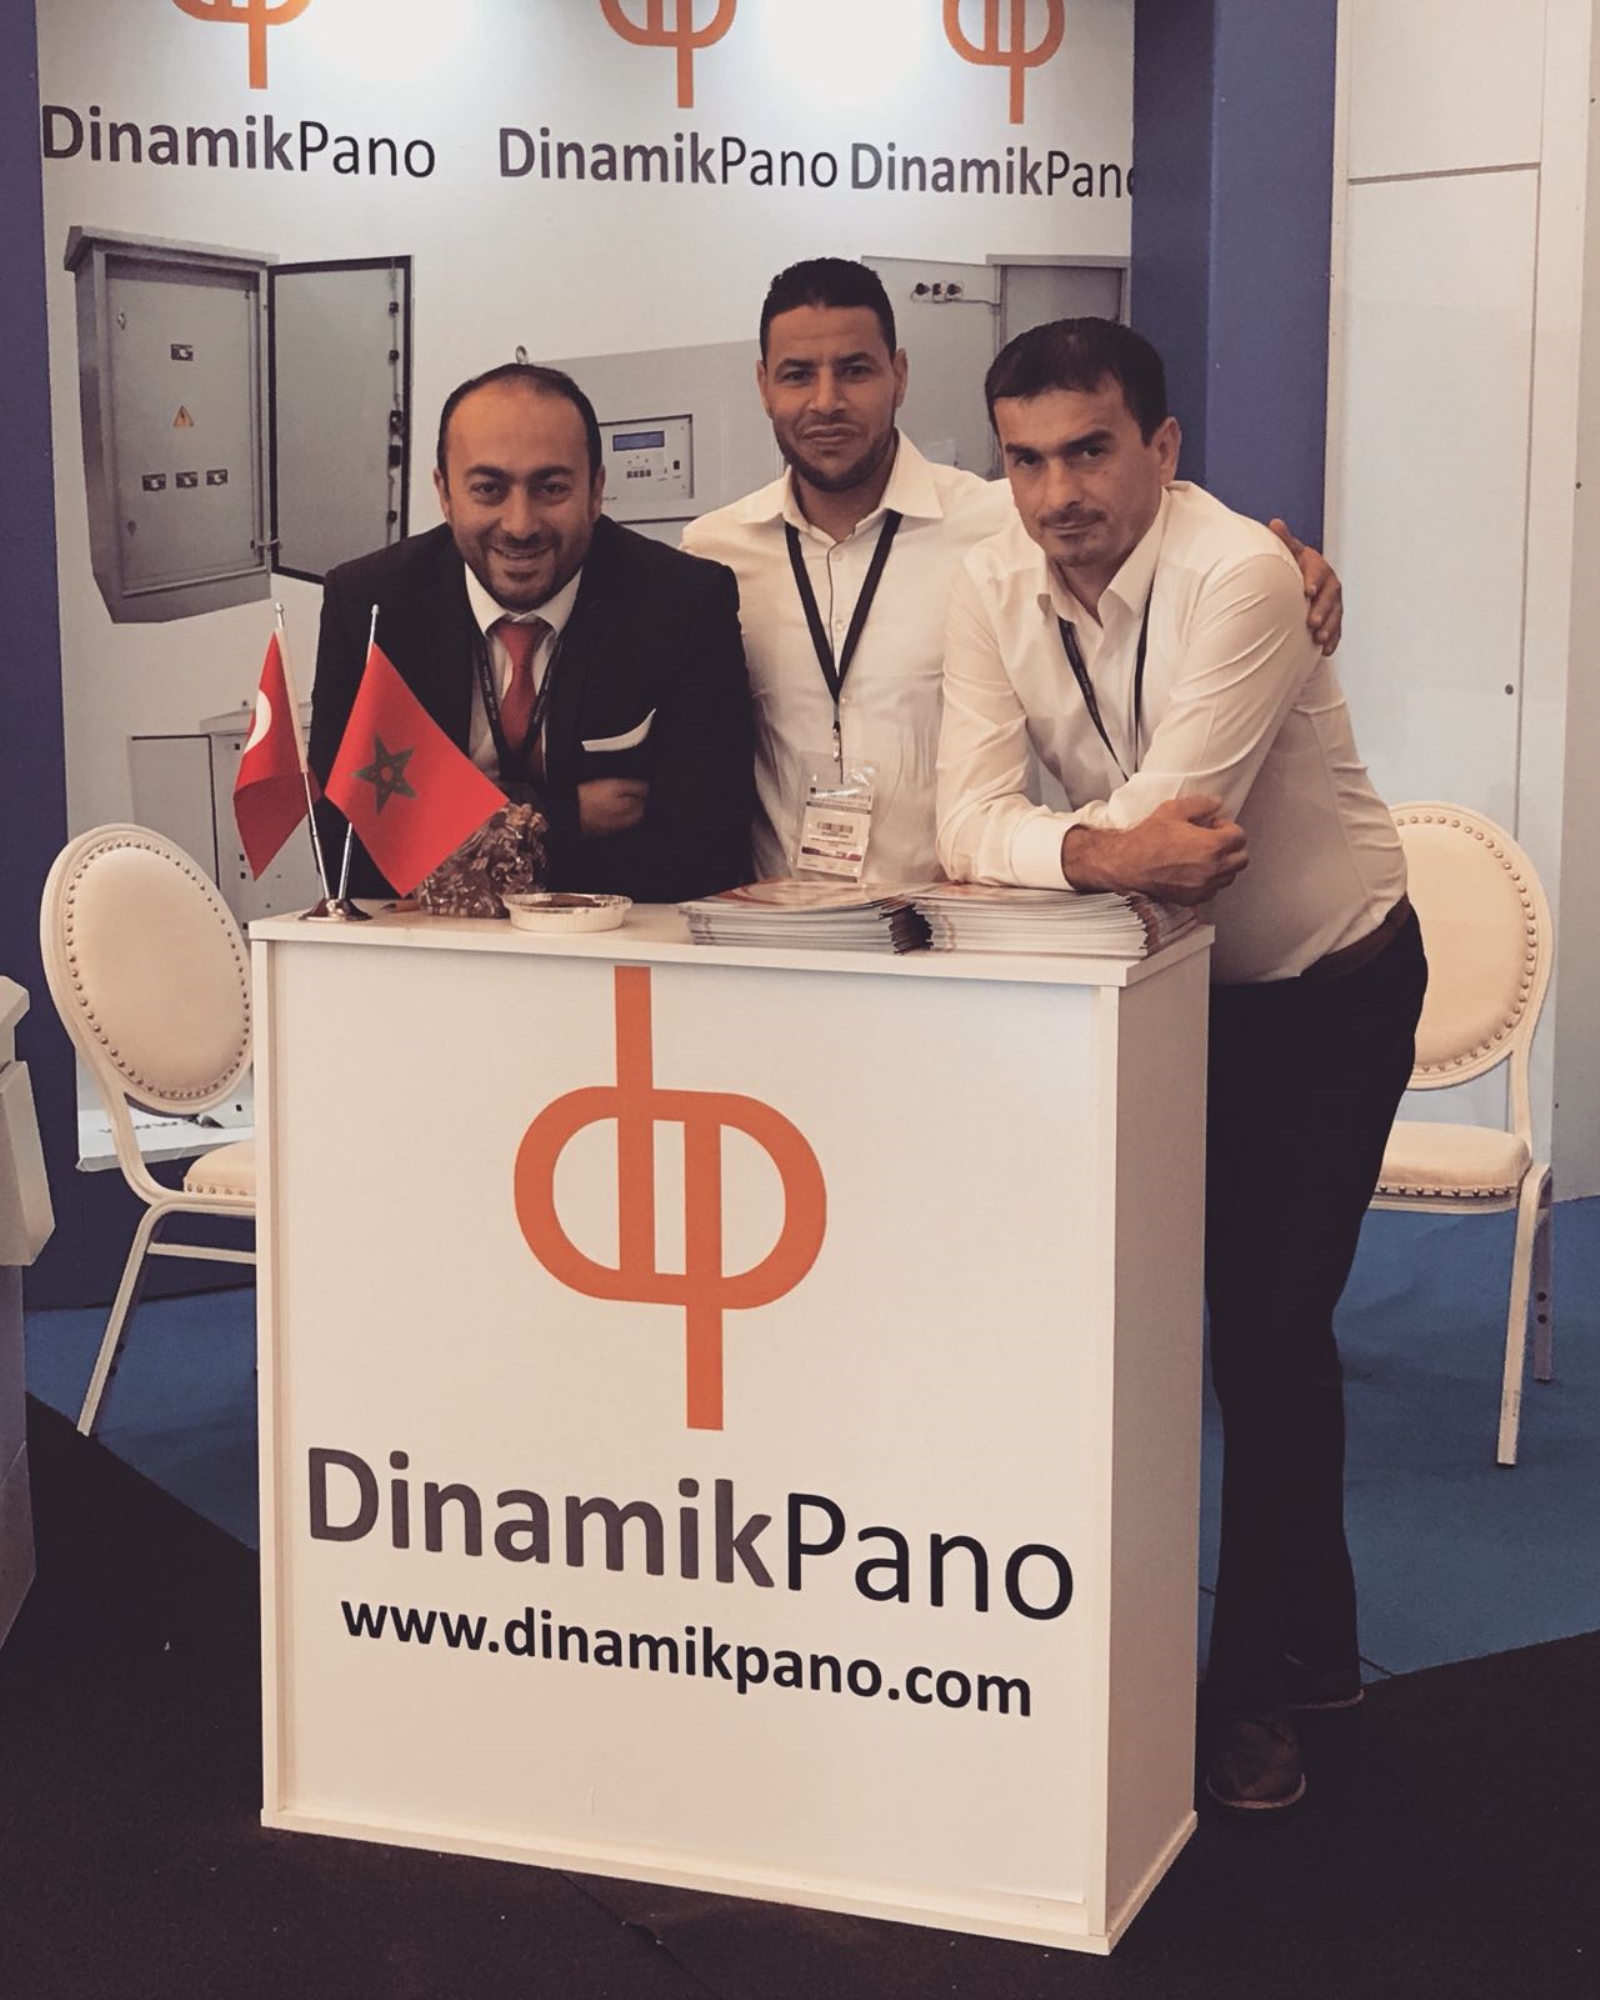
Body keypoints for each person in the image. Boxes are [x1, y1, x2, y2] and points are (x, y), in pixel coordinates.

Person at [936, 318, 1427, 1815]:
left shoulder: (1245, 577)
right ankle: (1320, 1645)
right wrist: (1092, 853)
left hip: (1325, 986)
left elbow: (1186, 826)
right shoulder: (990, 577)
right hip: (1164, 992)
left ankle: (1247, 1694)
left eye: (1090, 450)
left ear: (1162, 445)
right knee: (1236, 1334)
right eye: (1025, 460)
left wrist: (1063, 848)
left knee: (1264, 1331)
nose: (1056, 492)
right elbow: (967, 819)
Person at [684, 257, 1342, 884]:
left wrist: (1284, 566)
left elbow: (1159, 514)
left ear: (899, 376)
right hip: (778, 923)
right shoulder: (712, 555)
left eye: (855, 370)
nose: (827, 401)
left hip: (961, 925)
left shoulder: (1006, 524)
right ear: (763, 385)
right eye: (797, 375)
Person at [309, 363, 754, 904]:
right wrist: (565, 817)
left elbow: (705, 855)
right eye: (488, 489)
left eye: (551, 488)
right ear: (444, 494)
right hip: (422, 943)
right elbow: (350, 852)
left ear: (596, 491)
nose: (520, 524)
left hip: (617, 943)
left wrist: (450, 832)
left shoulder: (683, 604)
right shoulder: (370, 604)